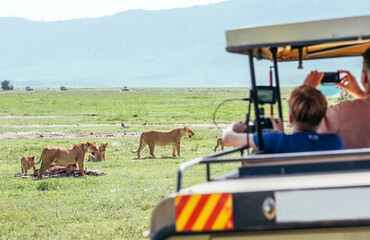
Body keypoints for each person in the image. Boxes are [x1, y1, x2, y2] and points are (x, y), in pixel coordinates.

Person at [222, 85, 345, 153]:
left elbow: (228, 139)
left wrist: (232, 126)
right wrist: (280, 134)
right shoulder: (335, 142)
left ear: (290, 117)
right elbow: (305, 143)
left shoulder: (277, 141)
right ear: (322, 118)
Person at [304, 47, 370, 149]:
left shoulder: (340, 113)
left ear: (364, 77)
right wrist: (360, 94)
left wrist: (306, 92)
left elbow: (304, 130)